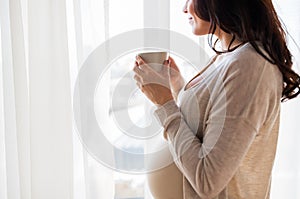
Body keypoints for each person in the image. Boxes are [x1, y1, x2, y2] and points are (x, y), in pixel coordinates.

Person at [133, 0, 300, 198]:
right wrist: (177, 87)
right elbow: (208, 128)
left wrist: (165, 104)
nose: (184, 8)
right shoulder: (229, 56)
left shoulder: (249, 65)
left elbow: (208, 181)